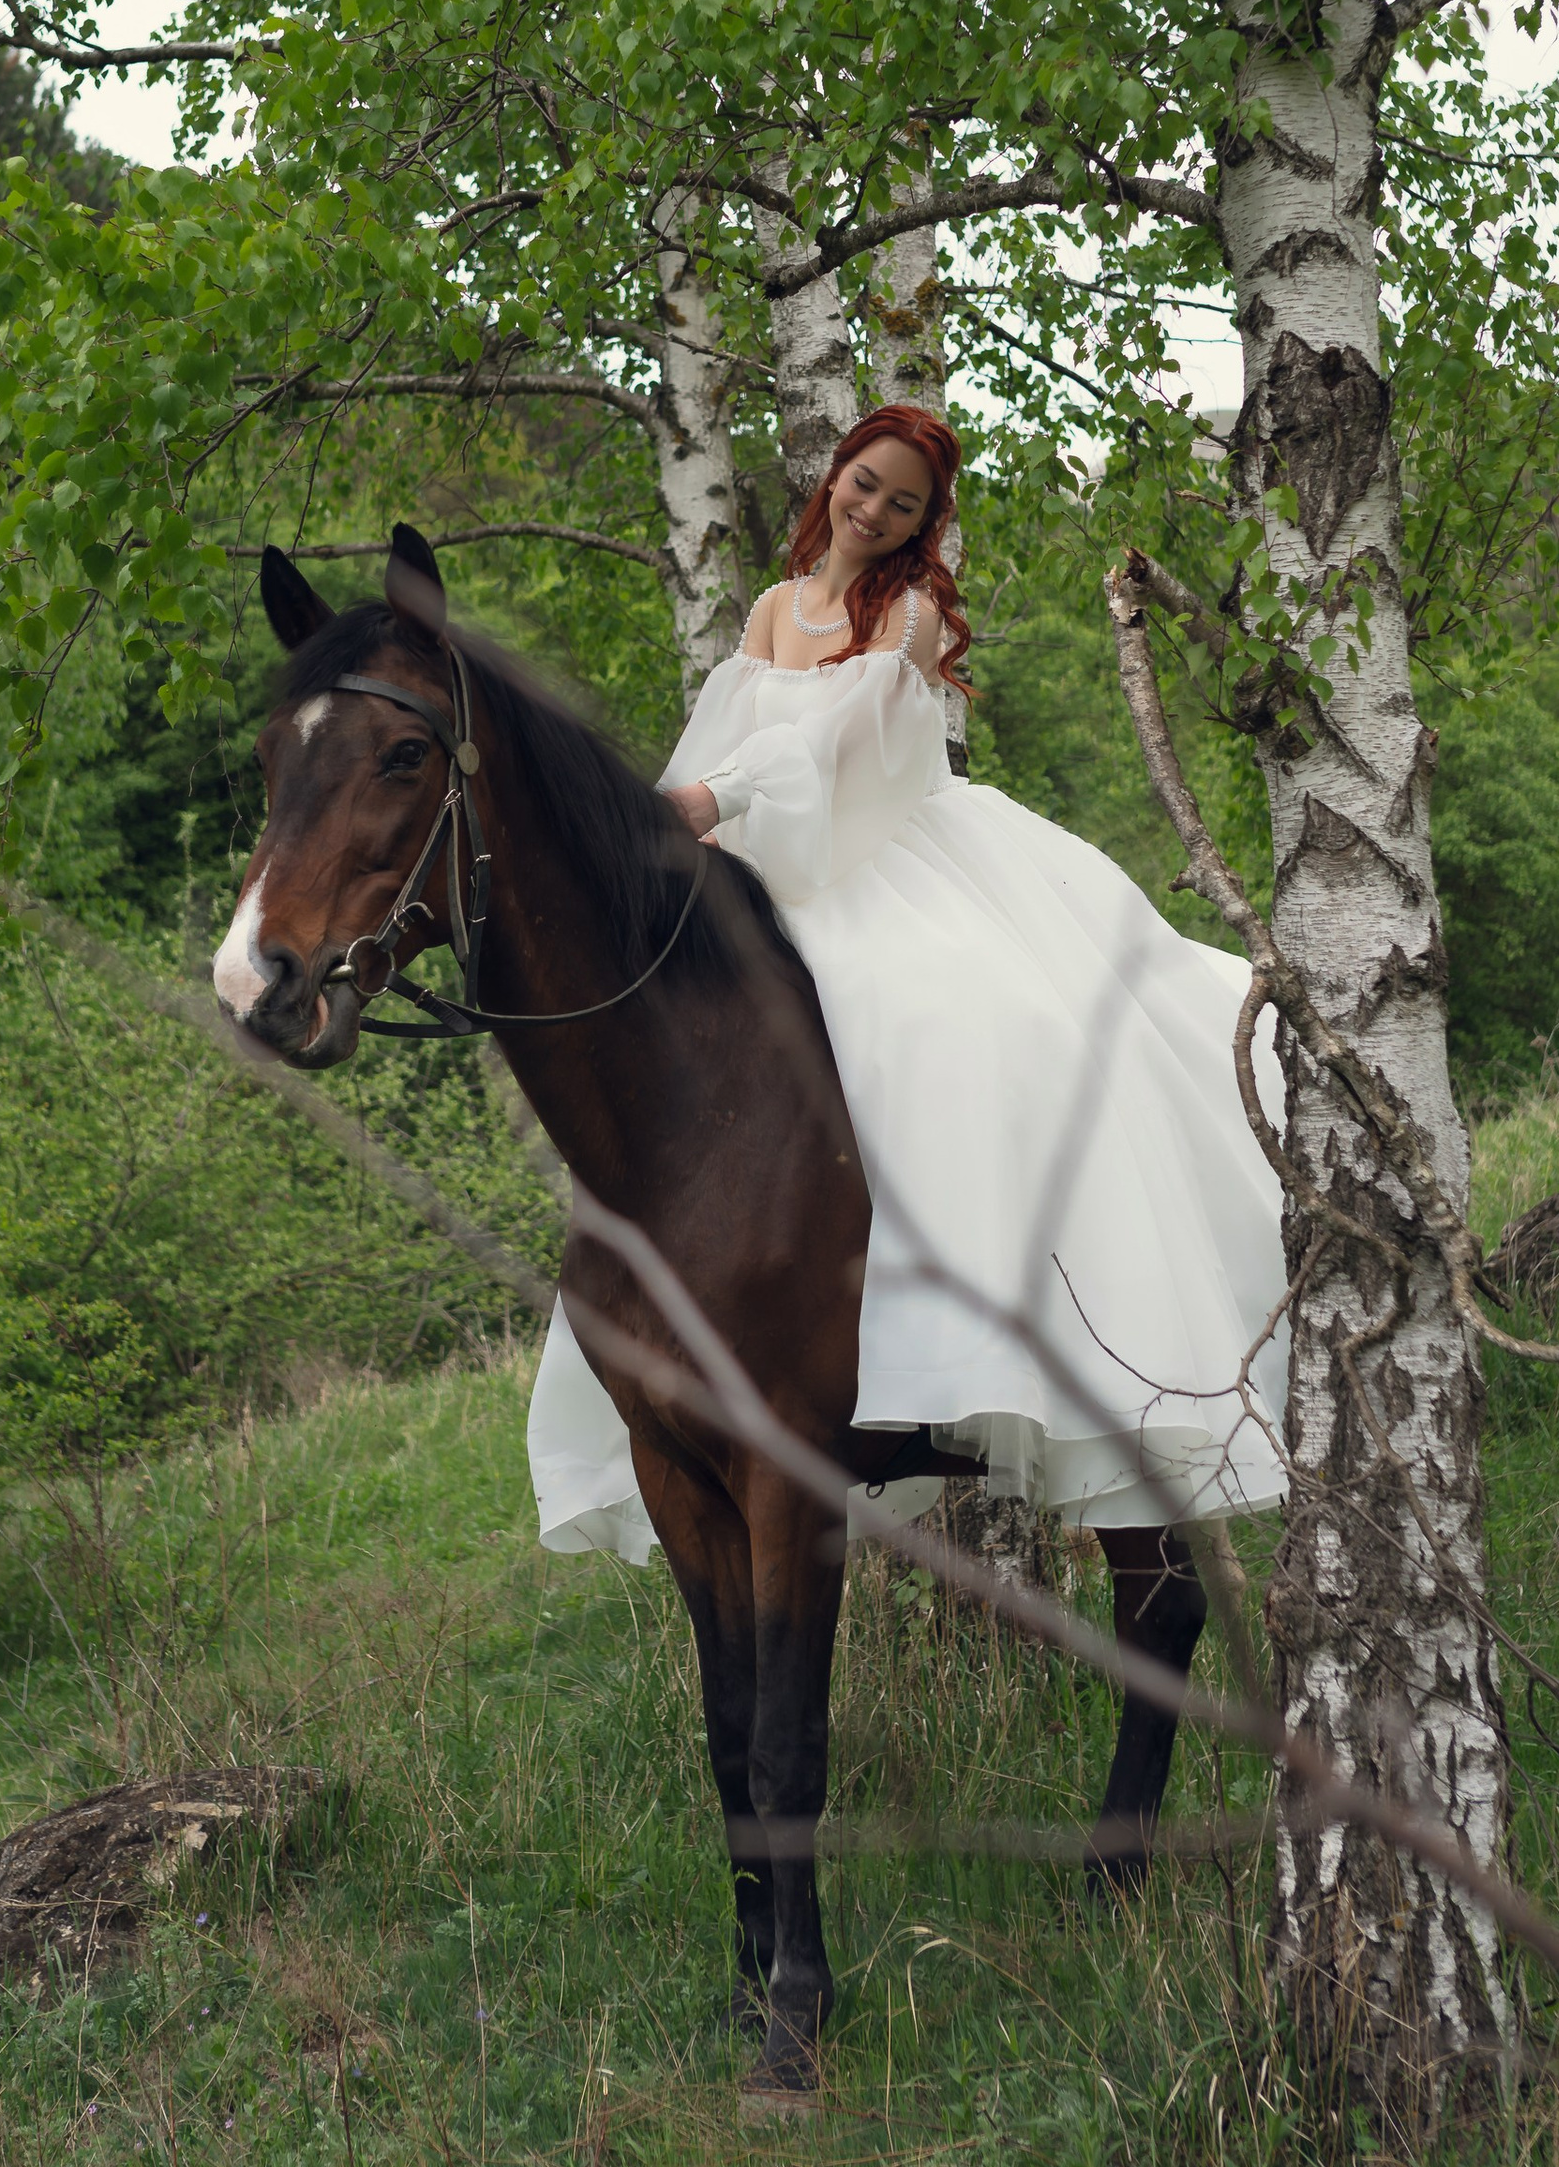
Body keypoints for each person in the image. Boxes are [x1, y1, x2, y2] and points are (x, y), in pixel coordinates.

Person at [524, 404, 1289, 1560]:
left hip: (889, 854)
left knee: (947, 1022)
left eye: (903, 503)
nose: (873, 510)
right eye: (864, 483)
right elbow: (717, 739)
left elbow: (843, 751)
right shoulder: (772, 608)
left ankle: (975, 1331)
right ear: (833, 474)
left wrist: (718, 801)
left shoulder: (912, 612)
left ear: (925, 523)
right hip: (768, 864)